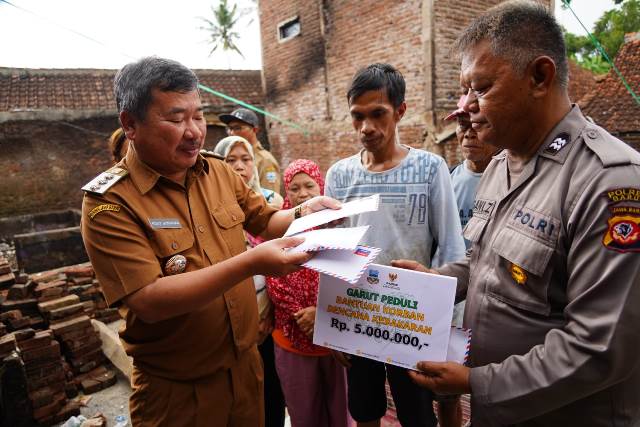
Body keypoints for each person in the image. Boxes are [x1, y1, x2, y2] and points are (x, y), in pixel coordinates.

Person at [392, 2, 640, 426]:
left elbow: (600, 347)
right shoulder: (500, 166)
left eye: (480, 88)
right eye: (463, 89)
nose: (464, 105)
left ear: (539, 77)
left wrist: (476, 382)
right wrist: (440, 282)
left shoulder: (610, 184)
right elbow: (487, 262)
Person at [80, 57, 340, 427]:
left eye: (198, 116)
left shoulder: (215, 170)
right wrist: (251, 264)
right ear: (130, 124)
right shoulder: (109, 202)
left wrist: (304, 213)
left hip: (246, 369)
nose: (194, 132)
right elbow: (148, 300)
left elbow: (265, 221)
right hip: (178, 391)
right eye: (175, 118)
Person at [325, 63, 466, 427]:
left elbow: (450, 247)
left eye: (378, 114)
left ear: (400, 111)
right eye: (357, 117)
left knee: (418, 414)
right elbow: (331, 251)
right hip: (357, 315)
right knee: (365, 409)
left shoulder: (430, 169)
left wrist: (440, 324)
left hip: (411, 319)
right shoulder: (339, 175)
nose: (366, 128)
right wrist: (334, 322)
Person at [267, 159, 350, 427]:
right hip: (291, 337)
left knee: (341, 411)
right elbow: (273, 277)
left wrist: (322, 313)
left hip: (333, 337)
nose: (302, 194)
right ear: (286, 192)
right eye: (294, 188)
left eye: (309, 186)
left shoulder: (336, 227)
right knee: (304, 413)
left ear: (321, 186)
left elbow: (346, 275)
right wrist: (300, 316)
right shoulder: (278, 228)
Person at [213, 135, 286, 427]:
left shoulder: (270, 205)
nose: (240, 167)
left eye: (245, 159)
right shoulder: (210, 207)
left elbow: (280, 262)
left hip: (267, 317)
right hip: (228, 322)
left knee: (270, 390)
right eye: (231, 160)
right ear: (217, 165)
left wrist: (269, 313)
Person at [220, 108, 282, 194]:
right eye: (230, 128)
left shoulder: (265, 160)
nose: (232, 133)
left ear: (254, 130)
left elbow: (270, 200)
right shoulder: (224, 155)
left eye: (238, 128)